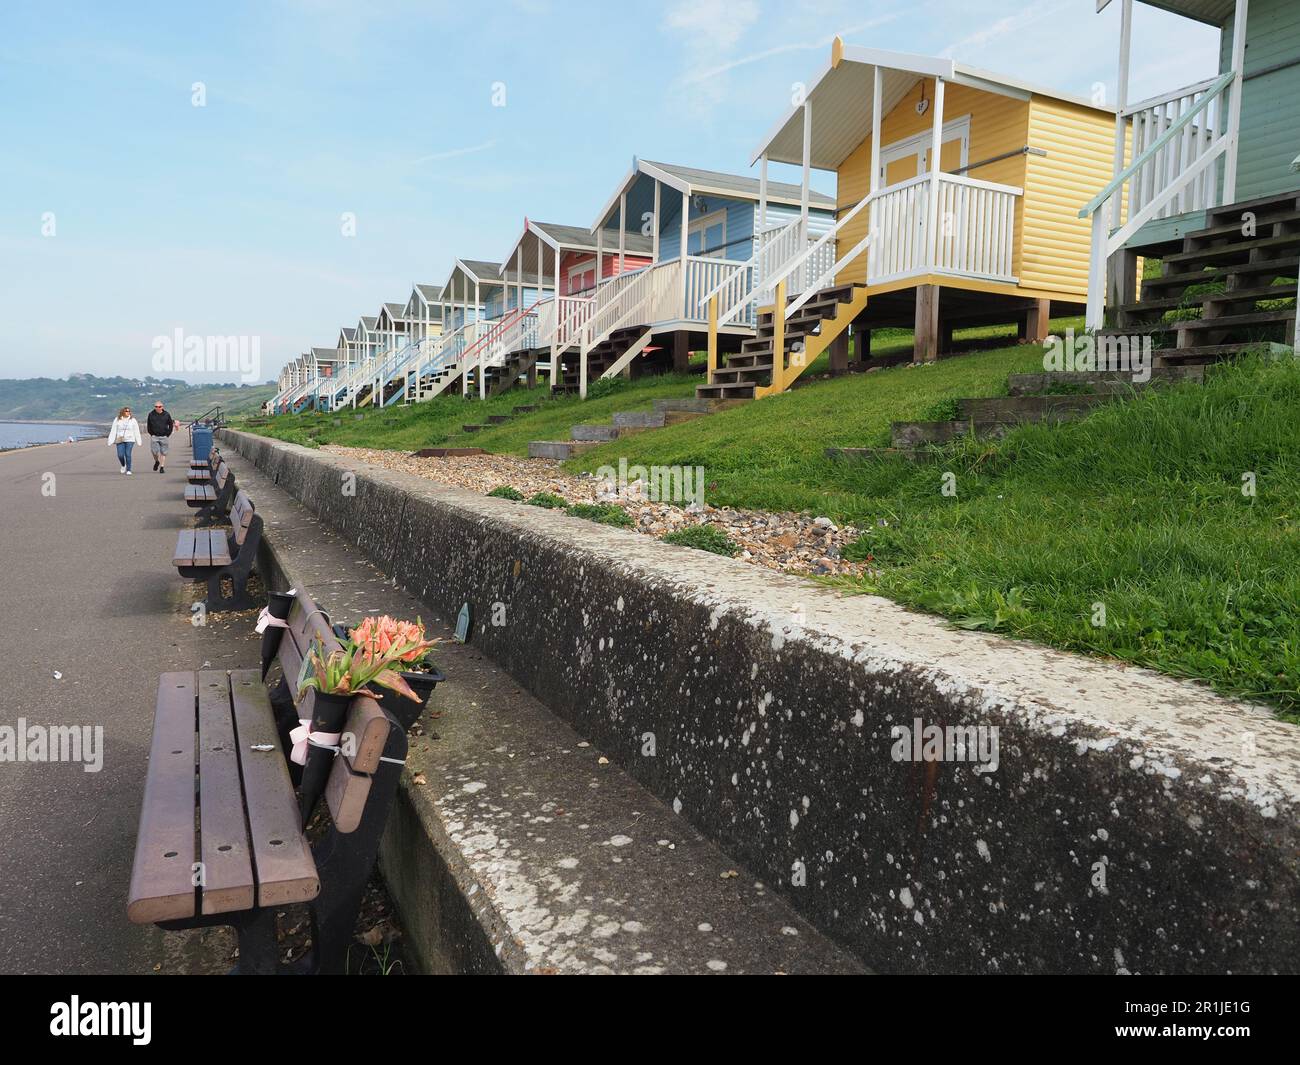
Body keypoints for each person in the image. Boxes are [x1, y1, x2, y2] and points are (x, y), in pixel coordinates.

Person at [107, 406, 142, 475]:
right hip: (120, 439)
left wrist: (139, 441)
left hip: (130, 439)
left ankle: (129, 470)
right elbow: (113, 430)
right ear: (122, 412)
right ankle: (123, 465)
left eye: (129, 411)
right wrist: (110, 440)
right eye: (126, 411)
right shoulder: (117, 419)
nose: (128, 412)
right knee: (120, 455)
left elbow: (136, 431)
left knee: (128, 454)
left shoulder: (133, 420)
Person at [145, 400, 178, 473]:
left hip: (164, 436)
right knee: (154, 452)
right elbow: (149, 425)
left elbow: (171, 424)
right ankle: (157, 461)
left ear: (162, 407)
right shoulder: (151, 414)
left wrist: (168, 434)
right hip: (154, 436)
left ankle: (162, 467)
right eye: (156, 407)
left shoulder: (166, 414)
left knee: (163, 452)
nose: (158, 408)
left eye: (159, 407)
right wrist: (151, 434)